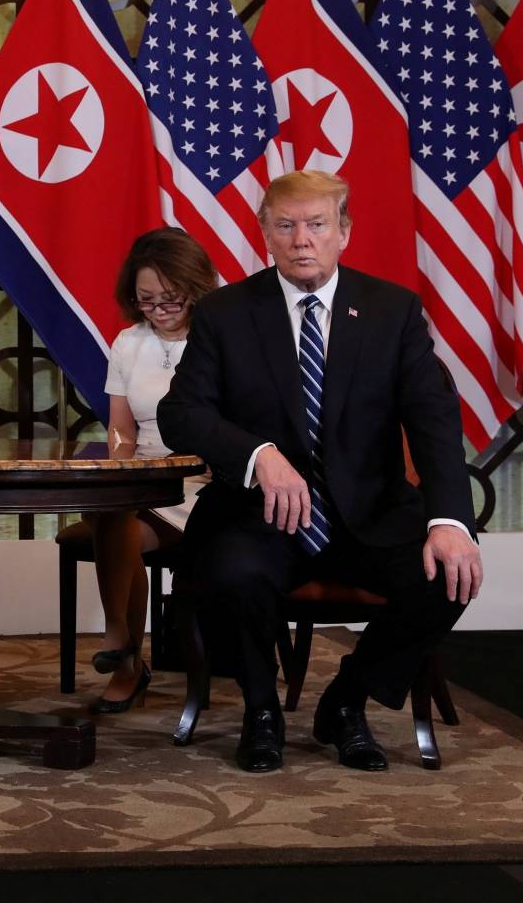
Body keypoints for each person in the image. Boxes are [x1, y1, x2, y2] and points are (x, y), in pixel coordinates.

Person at [157, 170, 482, 773]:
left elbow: (434, 422)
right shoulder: (227, 314)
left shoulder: (393, 312)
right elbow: (181, 413)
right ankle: (261, 712)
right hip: (261, 519)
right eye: (285, 226)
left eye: (316, 225)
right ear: (265, 234)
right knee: (232, 571)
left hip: (371, 515)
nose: (301, 239)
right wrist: (259, 455)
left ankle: (346, 701)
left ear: (344, 233)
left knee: (447, 573)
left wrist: (449, 521)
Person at [87, 228, 215, 713]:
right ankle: (122, 642)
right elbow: (121, 431)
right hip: (144, 478)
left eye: (170, 299)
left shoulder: (220, 334)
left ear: (194, 286)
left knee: (115, 518)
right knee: (110, 507)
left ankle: (123, 650)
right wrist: (118, 475)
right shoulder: (127, 343)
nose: (158, 310)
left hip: (203, 483)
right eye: (146, 301)